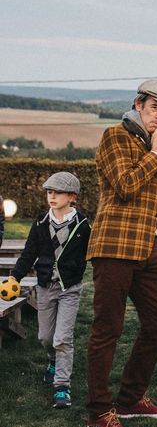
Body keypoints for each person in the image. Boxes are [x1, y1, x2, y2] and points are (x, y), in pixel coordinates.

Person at [85, 80, 157, 427]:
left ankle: (130, 399)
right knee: (107, 328)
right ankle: (99, 411)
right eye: (155, 107)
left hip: (149, 245)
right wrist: (156, 154)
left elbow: (148, 191)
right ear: (138, 105)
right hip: (115, 246)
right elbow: (124, 185)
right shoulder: (116, 136)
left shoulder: (147, 142)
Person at [8, 172, 90, 409]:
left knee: (63, 337)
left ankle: (62, 386)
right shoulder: (40, 222)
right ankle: (53, 359)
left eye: (58, 192)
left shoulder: (83, 226)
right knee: (46, 337)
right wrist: (15, 276)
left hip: (69, 288)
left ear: (72, 197)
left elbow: (90, 252)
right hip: (45, 286)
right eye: (48, 192)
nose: (51, 196)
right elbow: (28, 254)